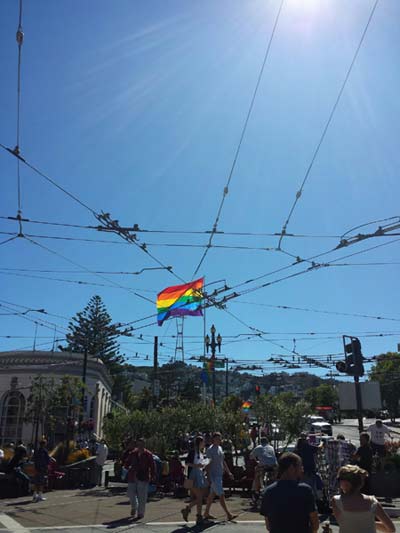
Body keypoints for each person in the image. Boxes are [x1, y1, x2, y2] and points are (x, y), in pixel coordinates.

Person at [260, 452, 319, 533]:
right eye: (300, 466)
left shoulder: (268, 491)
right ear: (291, 467)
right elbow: (315, 523)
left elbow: (268, 526)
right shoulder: (305, 490)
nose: (302, 469)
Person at [332, 464, 395, 533]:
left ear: (344, 482)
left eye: (339, 479)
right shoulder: (372, 501)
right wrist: (370, 522)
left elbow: (344, 523)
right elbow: (391, 529)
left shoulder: (336, 501)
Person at [203, 432, 236, 521]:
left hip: (219, 474)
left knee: (212, 495)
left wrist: (229, 472)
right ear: (213, 439)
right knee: (221, 495)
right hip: (214, 476)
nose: (219, 440)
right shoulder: (210, 450)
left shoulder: (220, 448)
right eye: (217, 438)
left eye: (220, 438)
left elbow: (223, 461)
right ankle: (228, 514)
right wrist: (209, 477)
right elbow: (207, 464)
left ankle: (206, 513)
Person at [124, 437, 155, 520]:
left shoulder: (148, 454)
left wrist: (152, 476)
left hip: (143, 476)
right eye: (138, 444)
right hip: (133, 475)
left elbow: (152, 466)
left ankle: (140, 513)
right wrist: (127, 466)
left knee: (142, 496)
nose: (140, 446)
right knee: (131, 493)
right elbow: (127, 462)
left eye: (142, 444)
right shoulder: (133, 453)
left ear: (144, 445)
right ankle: (134, 507)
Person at [181, 436, 209, 525]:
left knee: (200, 497)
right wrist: (197, 466)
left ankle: (199, 516)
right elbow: (187, 463)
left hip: (199, 474)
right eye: (203, 442)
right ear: (199, 443)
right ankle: (188, 509)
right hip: (193, 475)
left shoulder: (200, 453)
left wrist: (203, 465)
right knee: (200, 496)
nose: (204, 444)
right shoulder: (193, 452)